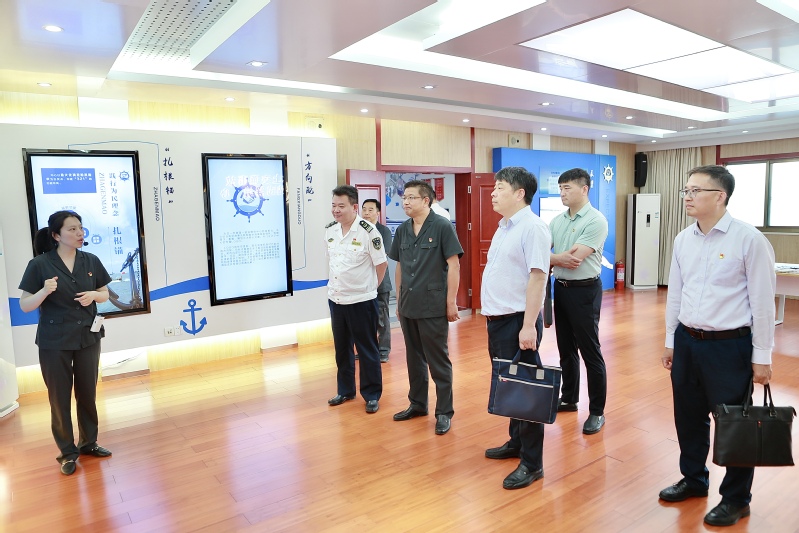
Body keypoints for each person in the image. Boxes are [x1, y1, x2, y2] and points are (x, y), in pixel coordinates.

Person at [659, 165, 775, 527]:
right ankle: (694, 479)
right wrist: (670, 341)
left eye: (696, 190)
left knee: (733, 422)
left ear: (720, 196)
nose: (687, 197)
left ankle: (737, 499)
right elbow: (676, 293)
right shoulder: (683, 239)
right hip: (687, 341)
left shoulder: (748, 239)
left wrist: (762, 357)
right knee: (688, 416)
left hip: (729, 346)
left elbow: (763, 303)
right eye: (686, 190)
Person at [18, 210, 113, 476]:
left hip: (87, 337)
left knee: (87, 393)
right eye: (72, 229)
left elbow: (105, 293)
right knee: (59, 398)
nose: (79, 233)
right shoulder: (39, 264)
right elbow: (25, 305)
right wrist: (44, 291)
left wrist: (94, 295)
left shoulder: (90, 260)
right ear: (56, 235)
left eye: (80, 228)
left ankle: (89, 442)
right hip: (54, 341)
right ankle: (67, 452)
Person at [481, 167, 550, 489]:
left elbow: (538, 277)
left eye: (500, 188)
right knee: (511, 385)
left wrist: (528, 326)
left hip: (517, 322)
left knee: (527, 392)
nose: (493, 193)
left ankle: (532, 464)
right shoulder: (505, 227)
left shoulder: (533, 228)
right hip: (498, 321)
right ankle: (517, 442)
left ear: (520, 193)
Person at [388, 180, 463, 435]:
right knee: (414, 358)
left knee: (438, 360)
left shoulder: (441, 226)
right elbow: (399, 266)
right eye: (404, 198)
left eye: (411, 197)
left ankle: (444, 412)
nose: (405, 202)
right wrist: (399, 299)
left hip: (433, 305)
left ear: (425, 200)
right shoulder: (403, 230)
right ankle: (418, 404)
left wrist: (451, 302)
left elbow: (454, 265)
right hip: (408, 304)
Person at [549, 167, 609, 435]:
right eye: (560, 188)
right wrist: (555, 259)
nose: (562, 193)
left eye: (567, 188)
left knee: (589, 350)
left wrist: (552, 259)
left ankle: (596, 411)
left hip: (585, 291)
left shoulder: (596, 220)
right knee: (565, 348)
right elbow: (542, 253)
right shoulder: (557, 221)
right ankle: (569, 398)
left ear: (584, 189)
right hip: (561, 289)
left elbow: (573, 259)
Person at [325, 185, 387, 414]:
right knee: (342, 349)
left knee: (367, 348)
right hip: (336, 299)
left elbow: (381, 264)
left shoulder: (368, 232)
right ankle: (345, 390)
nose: (336, 210)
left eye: (341, 206)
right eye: (333, 205)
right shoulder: (330, 230)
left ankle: (371, 394)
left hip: (362, 301)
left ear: (354, 207)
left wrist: (370, 288)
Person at [361, 198, 393, 363]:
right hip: (362, 284)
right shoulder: (358, 230)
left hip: (380, 282)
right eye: (364, 209)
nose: (366, 213)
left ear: (378, 213)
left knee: (381, 319)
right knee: (364, 320)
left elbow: (382, 256)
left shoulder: (383, 231)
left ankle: (384, 350)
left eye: (370, 210)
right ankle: (367, 350)